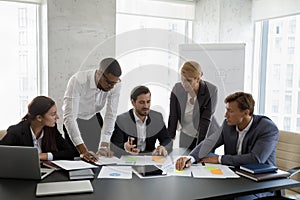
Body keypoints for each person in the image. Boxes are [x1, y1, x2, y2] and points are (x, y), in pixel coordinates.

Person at [175, 92, 279, 199]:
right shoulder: (228, 125)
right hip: (235, 179)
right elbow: (209, 142)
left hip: (259, 184)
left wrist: (219, 159)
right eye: (226, 110)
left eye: (230, 111)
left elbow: (256, 158)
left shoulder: (267, 128)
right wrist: (190, 158)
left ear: (246, 112)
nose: (226, 115)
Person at [62, 57, 122, 162]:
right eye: (109, 83)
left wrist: (104, 144)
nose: (112, 87)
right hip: (75, 121)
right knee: (78, 160)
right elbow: (70, 117)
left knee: (98, 160)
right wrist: (82, 150)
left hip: (94, 119)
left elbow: (111, 115)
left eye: (114, 83)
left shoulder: (115, 85)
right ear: (99, 73)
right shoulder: (78, 81)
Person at [0, 96, 75, 161]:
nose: (57, 117)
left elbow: (70, 152)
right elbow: (2, 154)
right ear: (39, 118)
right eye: (53, 114)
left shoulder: (51, 129)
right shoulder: (16, 132)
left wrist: (45, 156)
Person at [168, 61, 218, 151]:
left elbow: (205, 121)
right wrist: (168, 144)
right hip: (186, 133)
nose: (184, 84)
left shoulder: (211, 90)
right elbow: (173, 117)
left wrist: (199, 150)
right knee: (184, 160)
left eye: (188, 80)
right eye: (182, 79)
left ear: (198, 79)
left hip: (206, 135)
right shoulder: (177, 89)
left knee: (201, 162)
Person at [111, 85, 172, 156]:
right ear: (133, 102)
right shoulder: (121, 120)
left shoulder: (157, 117)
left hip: (150, 158)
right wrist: (125, 147)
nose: (146, 106)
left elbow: (167, 140)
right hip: (129, 159)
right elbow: (114, 146)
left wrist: (163, 147)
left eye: (148, 102)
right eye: (142, 102)